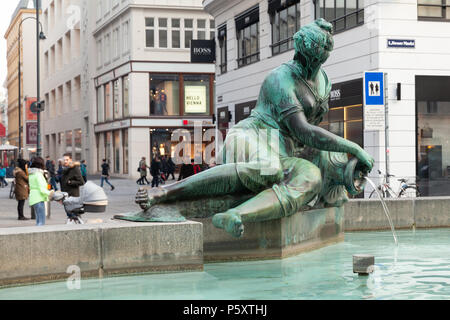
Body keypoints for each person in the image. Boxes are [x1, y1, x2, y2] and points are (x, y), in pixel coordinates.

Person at [134, 19, 374, 238]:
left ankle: (237, 215)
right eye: (313, 55)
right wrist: (353, 146)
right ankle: (165, 192)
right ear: (301, 50)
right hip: (254, 134)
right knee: (267, 169)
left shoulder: (323, 80)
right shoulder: (279, 79)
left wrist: (340, 162)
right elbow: (303, 130)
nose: (315, 61)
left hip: (283, 149)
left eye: (322, 55)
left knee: (311, 178)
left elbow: (310, 132)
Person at [28, 157, 54, 226]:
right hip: (39, 198)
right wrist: (50, 193)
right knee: (41, 221)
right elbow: (42, 188)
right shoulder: (38, 175)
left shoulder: (31, 174)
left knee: (38, 220)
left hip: (33, 198)